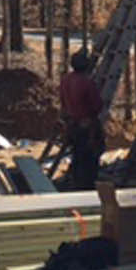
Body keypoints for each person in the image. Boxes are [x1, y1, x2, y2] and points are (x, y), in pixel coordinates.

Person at [59, 50, 106, 190]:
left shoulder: (65, 80)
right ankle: (87, 187)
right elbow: (97, 105)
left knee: (77, 155)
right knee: (91, 158)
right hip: (87, 126)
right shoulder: (86, 82)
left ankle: (76, 184)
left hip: (72, 125)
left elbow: (62, 101)